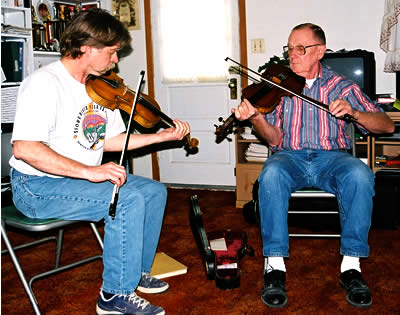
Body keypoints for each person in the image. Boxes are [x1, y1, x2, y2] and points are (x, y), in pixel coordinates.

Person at [9, 8, 191, 315]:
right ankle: (113, 296)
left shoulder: (99, 87)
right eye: (113, 52)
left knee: (153, 192)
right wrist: (89, 172)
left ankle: (134, 273)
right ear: (87, 48)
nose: (116, 60)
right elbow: (25, 148)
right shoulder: (43, 84)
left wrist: (160, 138)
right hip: (36, 187)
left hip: (78, 178)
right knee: (128, 200)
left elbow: (110, 141)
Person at [233, 23, 395, 309]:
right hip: (289, 157)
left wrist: (355, 112)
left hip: (332, 158)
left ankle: (351, 266)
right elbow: (275, 138)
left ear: (319, 52)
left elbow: (385, 124)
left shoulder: (342, 86)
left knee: (360, 174)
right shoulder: (279, 87)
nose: (292, 55)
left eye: (300, 48)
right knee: (270, 174)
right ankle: (274, 267)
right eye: (289, 48)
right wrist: (257, 118)